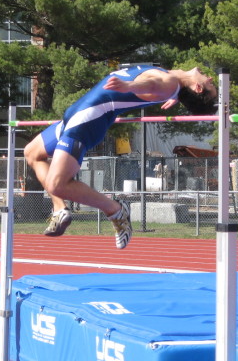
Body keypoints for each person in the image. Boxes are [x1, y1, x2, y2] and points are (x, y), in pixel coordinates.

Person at [23, 64, 217, 249]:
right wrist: (178, 95)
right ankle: (59, 209)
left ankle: (115, 209)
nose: (210, 77)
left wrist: (130, 86)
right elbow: (162, 85)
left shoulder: (169, 84)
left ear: (198, 88)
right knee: (32, 153)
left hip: (87, 120)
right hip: (74, 117)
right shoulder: (173, 82)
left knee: (58, 184)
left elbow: (152, 85)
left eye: (211, 84)